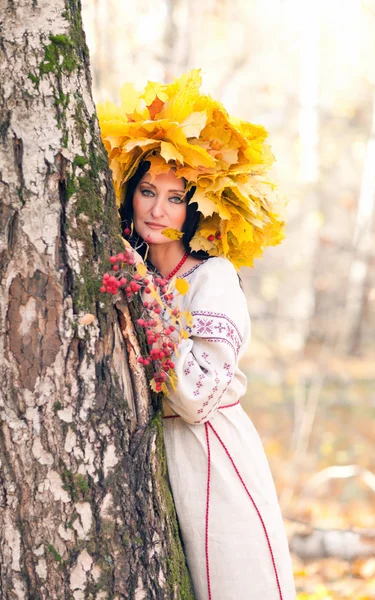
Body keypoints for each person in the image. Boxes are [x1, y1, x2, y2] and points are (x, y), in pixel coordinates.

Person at [98, 70, 296, 600]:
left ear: (197, 209)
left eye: (175, 198)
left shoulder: (213, 277)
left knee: (230, 585)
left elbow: (197, 395)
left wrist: (146, 299)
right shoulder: (125, 270)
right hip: (154, 452)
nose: (158, 210)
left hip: (213, 454)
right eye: (146, 191)